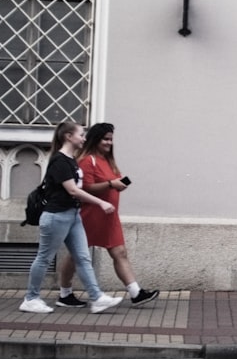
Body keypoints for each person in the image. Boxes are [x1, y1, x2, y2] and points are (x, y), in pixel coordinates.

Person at [20, 121, 123, 315]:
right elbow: (73, 190)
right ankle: (31, 299)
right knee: (44, 258)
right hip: (56, 216)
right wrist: (101, 203)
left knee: (82, 257)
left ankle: (97, 298)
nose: (84, 138)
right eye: (81, 135)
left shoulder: (71, 160)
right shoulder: (60, 161)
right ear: (68, 136)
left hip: (73, 215)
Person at [56, 122, 160, 308]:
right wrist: (111, 184)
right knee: (75, 255)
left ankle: (136, 293)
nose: (109, 143)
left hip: (109, 216)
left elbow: (109, 183)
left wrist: (117, 185)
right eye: (105, 139)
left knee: (120, 252)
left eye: (111, 139)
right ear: (96, 139)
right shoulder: (88, 160)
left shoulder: (107, 161)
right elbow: (85, 188)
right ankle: (65, 294)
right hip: (91, 215)